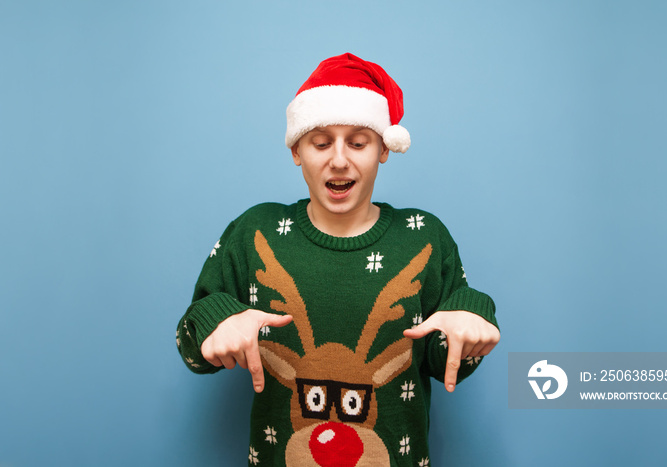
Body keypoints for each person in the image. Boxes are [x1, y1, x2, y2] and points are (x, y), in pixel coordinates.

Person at [176, 53, 500, 466]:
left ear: (384, 148)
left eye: (359, 142)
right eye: (321, 141)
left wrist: (471, 317)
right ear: (296, 150)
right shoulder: (255, 233)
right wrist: (215, 323)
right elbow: (189, 343)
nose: (340, 159)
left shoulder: (423, 238)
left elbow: (448, 359)